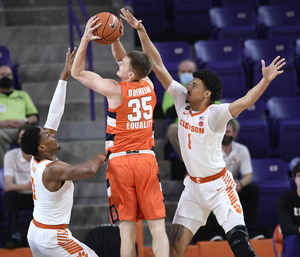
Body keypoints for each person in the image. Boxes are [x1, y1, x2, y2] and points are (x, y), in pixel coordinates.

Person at [120, 8, 286, 257]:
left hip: (219, 187)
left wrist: (265, 81)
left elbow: (244, 101)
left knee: (241, 248)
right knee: (174, 249)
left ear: (207, 94)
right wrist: (141, 30)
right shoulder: (180, 99)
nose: (189, 86)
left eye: (194, 85)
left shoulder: (215, 114)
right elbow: (157, 64)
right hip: (193, 189)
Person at [71, 16, 168, 257]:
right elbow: (127, 60)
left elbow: (78, 73)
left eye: (123, 64)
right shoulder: (148, 84)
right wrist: (115, 38)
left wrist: (85, 38)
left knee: (126, 231)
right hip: (146, 160)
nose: (119, 64)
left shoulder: (115, 90)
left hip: (121, 163)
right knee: (157, 227)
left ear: (130, 75)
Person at [20, 47, 107, 257]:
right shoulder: (52, 169)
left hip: (36, 231)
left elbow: (55, 114)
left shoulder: (37, 158)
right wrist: (99, 155)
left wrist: (63, 78)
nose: (52, 135)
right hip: (53, 237)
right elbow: (87, 171)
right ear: (42, 147)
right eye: (48, 136)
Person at [203, 119, 263, 242]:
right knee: (207, 192)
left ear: (234, 133)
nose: (225, 135)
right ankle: (216, 234)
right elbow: (207, 176)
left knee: (253, 189)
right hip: (217, 187)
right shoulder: (211, 150)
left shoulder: (241, 150)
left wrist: (240, 184)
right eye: (222, 132)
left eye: (228, 132)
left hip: (234, 188)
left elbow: (248, 176)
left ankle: (251, 231)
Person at [162, 60, 196, 180]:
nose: (187, 74)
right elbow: (169, 113)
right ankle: (191, 163)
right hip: (183, 127)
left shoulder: (206, 87)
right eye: (183, 71)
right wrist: (185, 95)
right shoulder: (173, 89)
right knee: (172, 129)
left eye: (190, 71)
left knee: (231, 124)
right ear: (178, 73)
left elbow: (216, 106)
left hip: (203, 124)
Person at [0, 65, 39, 167]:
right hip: (2, 130)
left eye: (8, 74)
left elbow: (35, 117)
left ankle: (33, 168)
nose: (6, 77)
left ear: (13, 77)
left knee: (37, 134)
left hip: (22, 128)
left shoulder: (22, 95)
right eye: (2, 74)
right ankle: (5, 169)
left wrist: (24, 122)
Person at [3, 125, 34, 248]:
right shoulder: (10, 156)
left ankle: (44, 238)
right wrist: (26, 186)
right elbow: (7, 185)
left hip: (36, 197)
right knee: (9, 196)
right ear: (18, 140)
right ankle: (15, 235)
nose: (24, 140)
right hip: (20, 196)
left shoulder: (41, 157)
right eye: (22, 137)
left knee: (49, 197)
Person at [277, 161, 300, 257]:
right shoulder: (285, 198)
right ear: (295, 179)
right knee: (292, 239)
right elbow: (286, 227)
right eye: (299, 176)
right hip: (294, 237)